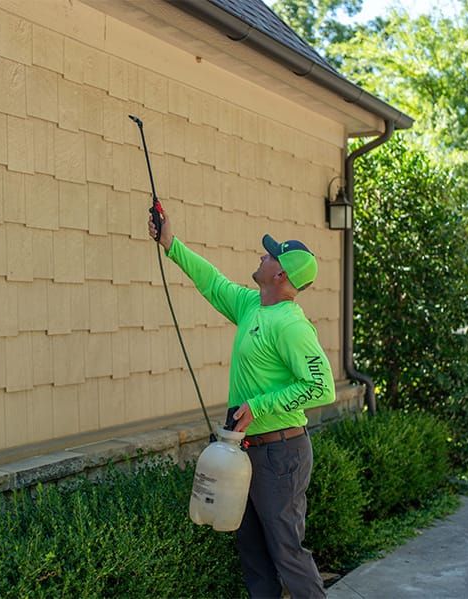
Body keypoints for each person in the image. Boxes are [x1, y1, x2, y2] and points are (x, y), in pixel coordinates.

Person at [148, 212, 335, 599]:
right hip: (246, 452)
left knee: (286, 550)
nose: (262, 257)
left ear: (280, 275)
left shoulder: (290, 325)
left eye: (270, 257)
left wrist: (260, 405)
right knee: (251, 551)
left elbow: (322, 386)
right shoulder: (252, 306)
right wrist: (171, 244)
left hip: (281, 454)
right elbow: (213, 282)